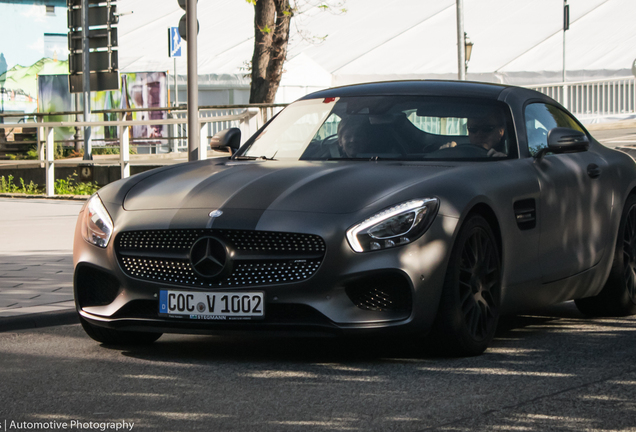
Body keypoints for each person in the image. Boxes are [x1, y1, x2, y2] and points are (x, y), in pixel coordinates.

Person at [441, 110, 507, 157]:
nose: (479, 134)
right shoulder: (458, 154)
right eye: (473, 129)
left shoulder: (512, 157)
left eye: (487, 129)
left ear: (501, 131)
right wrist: (445, 154)